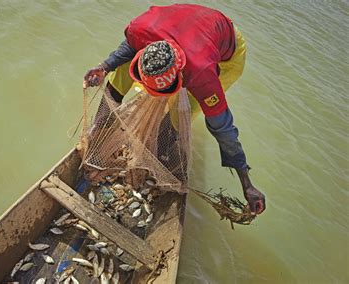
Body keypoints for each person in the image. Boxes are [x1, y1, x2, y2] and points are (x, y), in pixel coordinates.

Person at [83, 4, 265, 215]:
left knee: (180, 117)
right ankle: (99, 129)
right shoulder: (139, 30)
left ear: (180, 76)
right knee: (120, 69)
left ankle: (162, 151)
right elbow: (129, 48)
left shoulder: (203, 76)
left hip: (226, 51)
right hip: (185, 24)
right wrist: (104, 67)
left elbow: (223, 129)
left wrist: (247, 183)